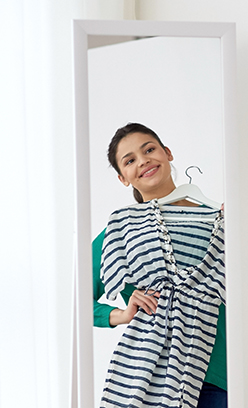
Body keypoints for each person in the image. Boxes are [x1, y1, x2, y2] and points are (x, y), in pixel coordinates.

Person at [92, 123, 227, 408]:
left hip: (218, 373)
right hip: (148, 375)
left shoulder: (222, 221)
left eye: (149, 149)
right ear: (123, 178)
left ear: (167, 153)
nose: (143, 161)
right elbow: (74, 301)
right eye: (130, 161)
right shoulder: (121, 231)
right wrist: (121, 314)